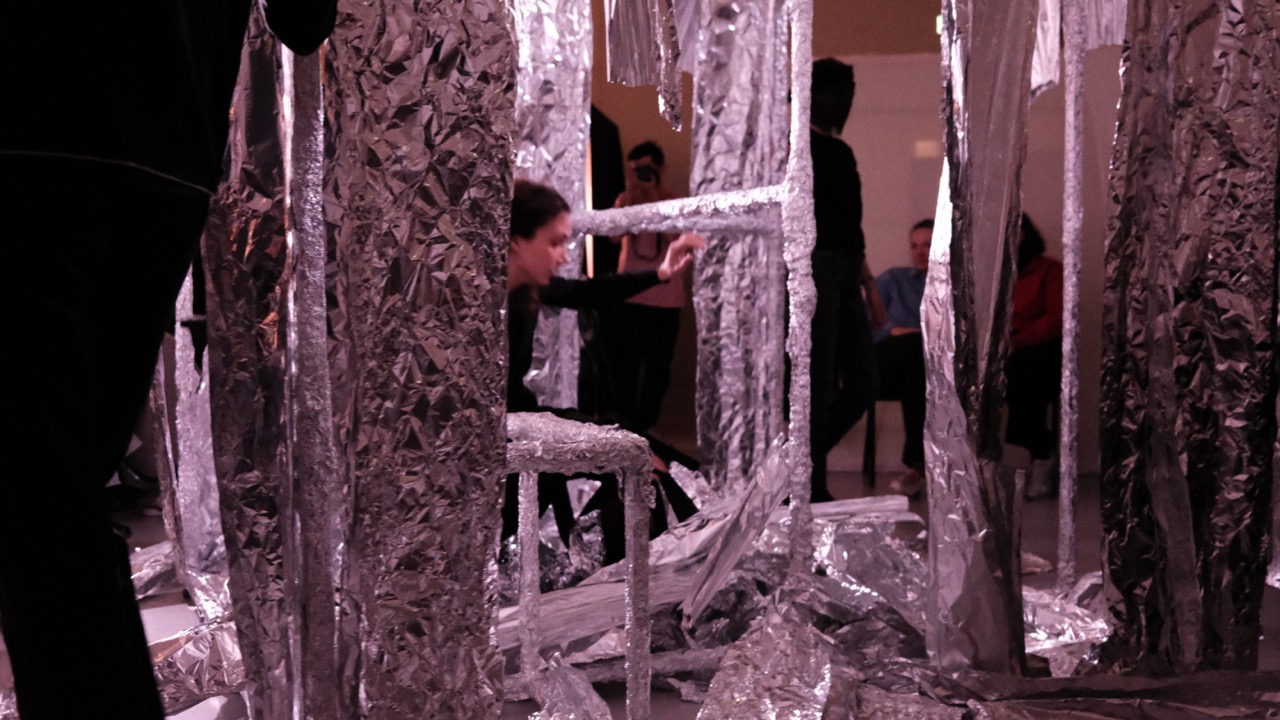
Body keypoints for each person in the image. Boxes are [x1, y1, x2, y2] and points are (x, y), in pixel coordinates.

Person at [0, 5, 336, 719]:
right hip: (162, 159)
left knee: (40, 501)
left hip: (34, 131)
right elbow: (305, 17)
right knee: (52, 495)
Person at [505, 179, 704, 563]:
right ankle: (636, 578)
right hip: (513, 443)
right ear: (516, 241)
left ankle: (695, 556)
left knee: (648, 451)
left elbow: (590, 292)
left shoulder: (526, 292)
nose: (564, 257)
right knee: (634, 457)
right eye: (554, 243)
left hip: (529, 426)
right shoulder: (480, 304)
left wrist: (661, 273)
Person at [809, 58, 886, 502]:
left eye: (848, 93)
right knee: (817, 385)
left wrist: (869, 286)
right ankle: (810, 483)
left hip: (845, 273)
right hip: (813, 272)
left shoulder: (841, 152)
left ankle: (801, 467)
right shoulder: (795, 149)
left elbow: (850, 230)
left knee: (864, 383)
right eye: (838, 93)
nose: (845, 102)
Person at [611, 141, 686, 431]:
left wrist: (654, 198)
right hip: (630, 298)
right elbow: (613, 237)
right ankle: (624, 427)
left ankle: (645, 428)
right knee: (624, 368)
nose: (642, 175)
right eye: (636, 170)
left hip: (666, 302)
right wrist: (630, 198)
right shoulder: (625, 200)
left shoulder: (674, 203)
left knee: (658, 371)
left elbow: (675, 239)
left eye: (647, 169)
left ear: (661, 169)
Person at [1006, 214, 1063, 499]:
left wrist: (1018, 341)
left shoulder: (1050, 270)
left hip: (1038, 348)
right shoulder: (997, 272)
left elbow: (1056, 318)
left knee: (1024, 373)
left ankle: (1041, 454)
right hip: (1002, 349)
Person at [873, 219, 932, 497]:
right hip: (889, 359)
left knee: (918, 372)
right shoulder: (893, 279)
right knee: (913, 348)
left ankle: (918, 465)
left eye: (927, 245)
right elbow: (864, 321)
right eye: (914, 246)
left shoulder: (956, 284)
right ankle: (919, 464)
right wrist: (893, 330)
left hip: (926, 368)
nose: (919, 252)